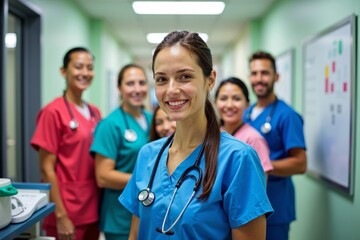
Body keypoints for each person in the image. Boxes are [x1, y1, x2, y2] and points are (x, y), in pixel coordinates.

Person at [119, 30, 273, 240]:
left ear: (210, 80)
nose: (171, 90)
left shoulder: (238, 159)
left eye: (184, 77)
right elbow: (135, 234)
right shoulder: (148, 155)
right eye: (162, 79)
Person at [31, 47, 101, 240]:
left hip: (92, 205)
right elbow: (46, 169)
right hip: (67, 208)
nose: (85, 73)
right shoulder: (52, 112)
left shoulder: (95, 112)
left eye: (89, 67)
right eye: (78, 67)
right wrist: (61, 215)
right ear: (64, 71)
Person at [243, 51, 307, 240]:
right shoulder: (246, 114)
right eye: (254, 74)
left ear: (276, 76)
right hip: (248, 202)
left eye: (265, 73)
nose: (259, 79)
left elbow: (300, 163)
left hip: (275, 204)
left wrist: (262, 167)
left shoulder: (287, 116)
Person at [90, 63, 153, 239]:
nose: (137, 89)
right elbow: (103, 177)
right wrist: (148, 182)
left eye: (142, 83)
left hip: (148, 212)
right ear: (119, 88)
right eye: (130, 83)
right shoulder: (110, 125)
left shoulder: (153, 119)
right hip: (120, 216)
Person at [215, 76, 273, 176]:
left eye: (236, 99)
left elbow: (260, 187)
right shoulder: (214, 134)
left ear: (247, 104)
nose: (229, 105)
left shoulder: (254, 139)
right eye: (223, 98)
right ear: (216, 102)